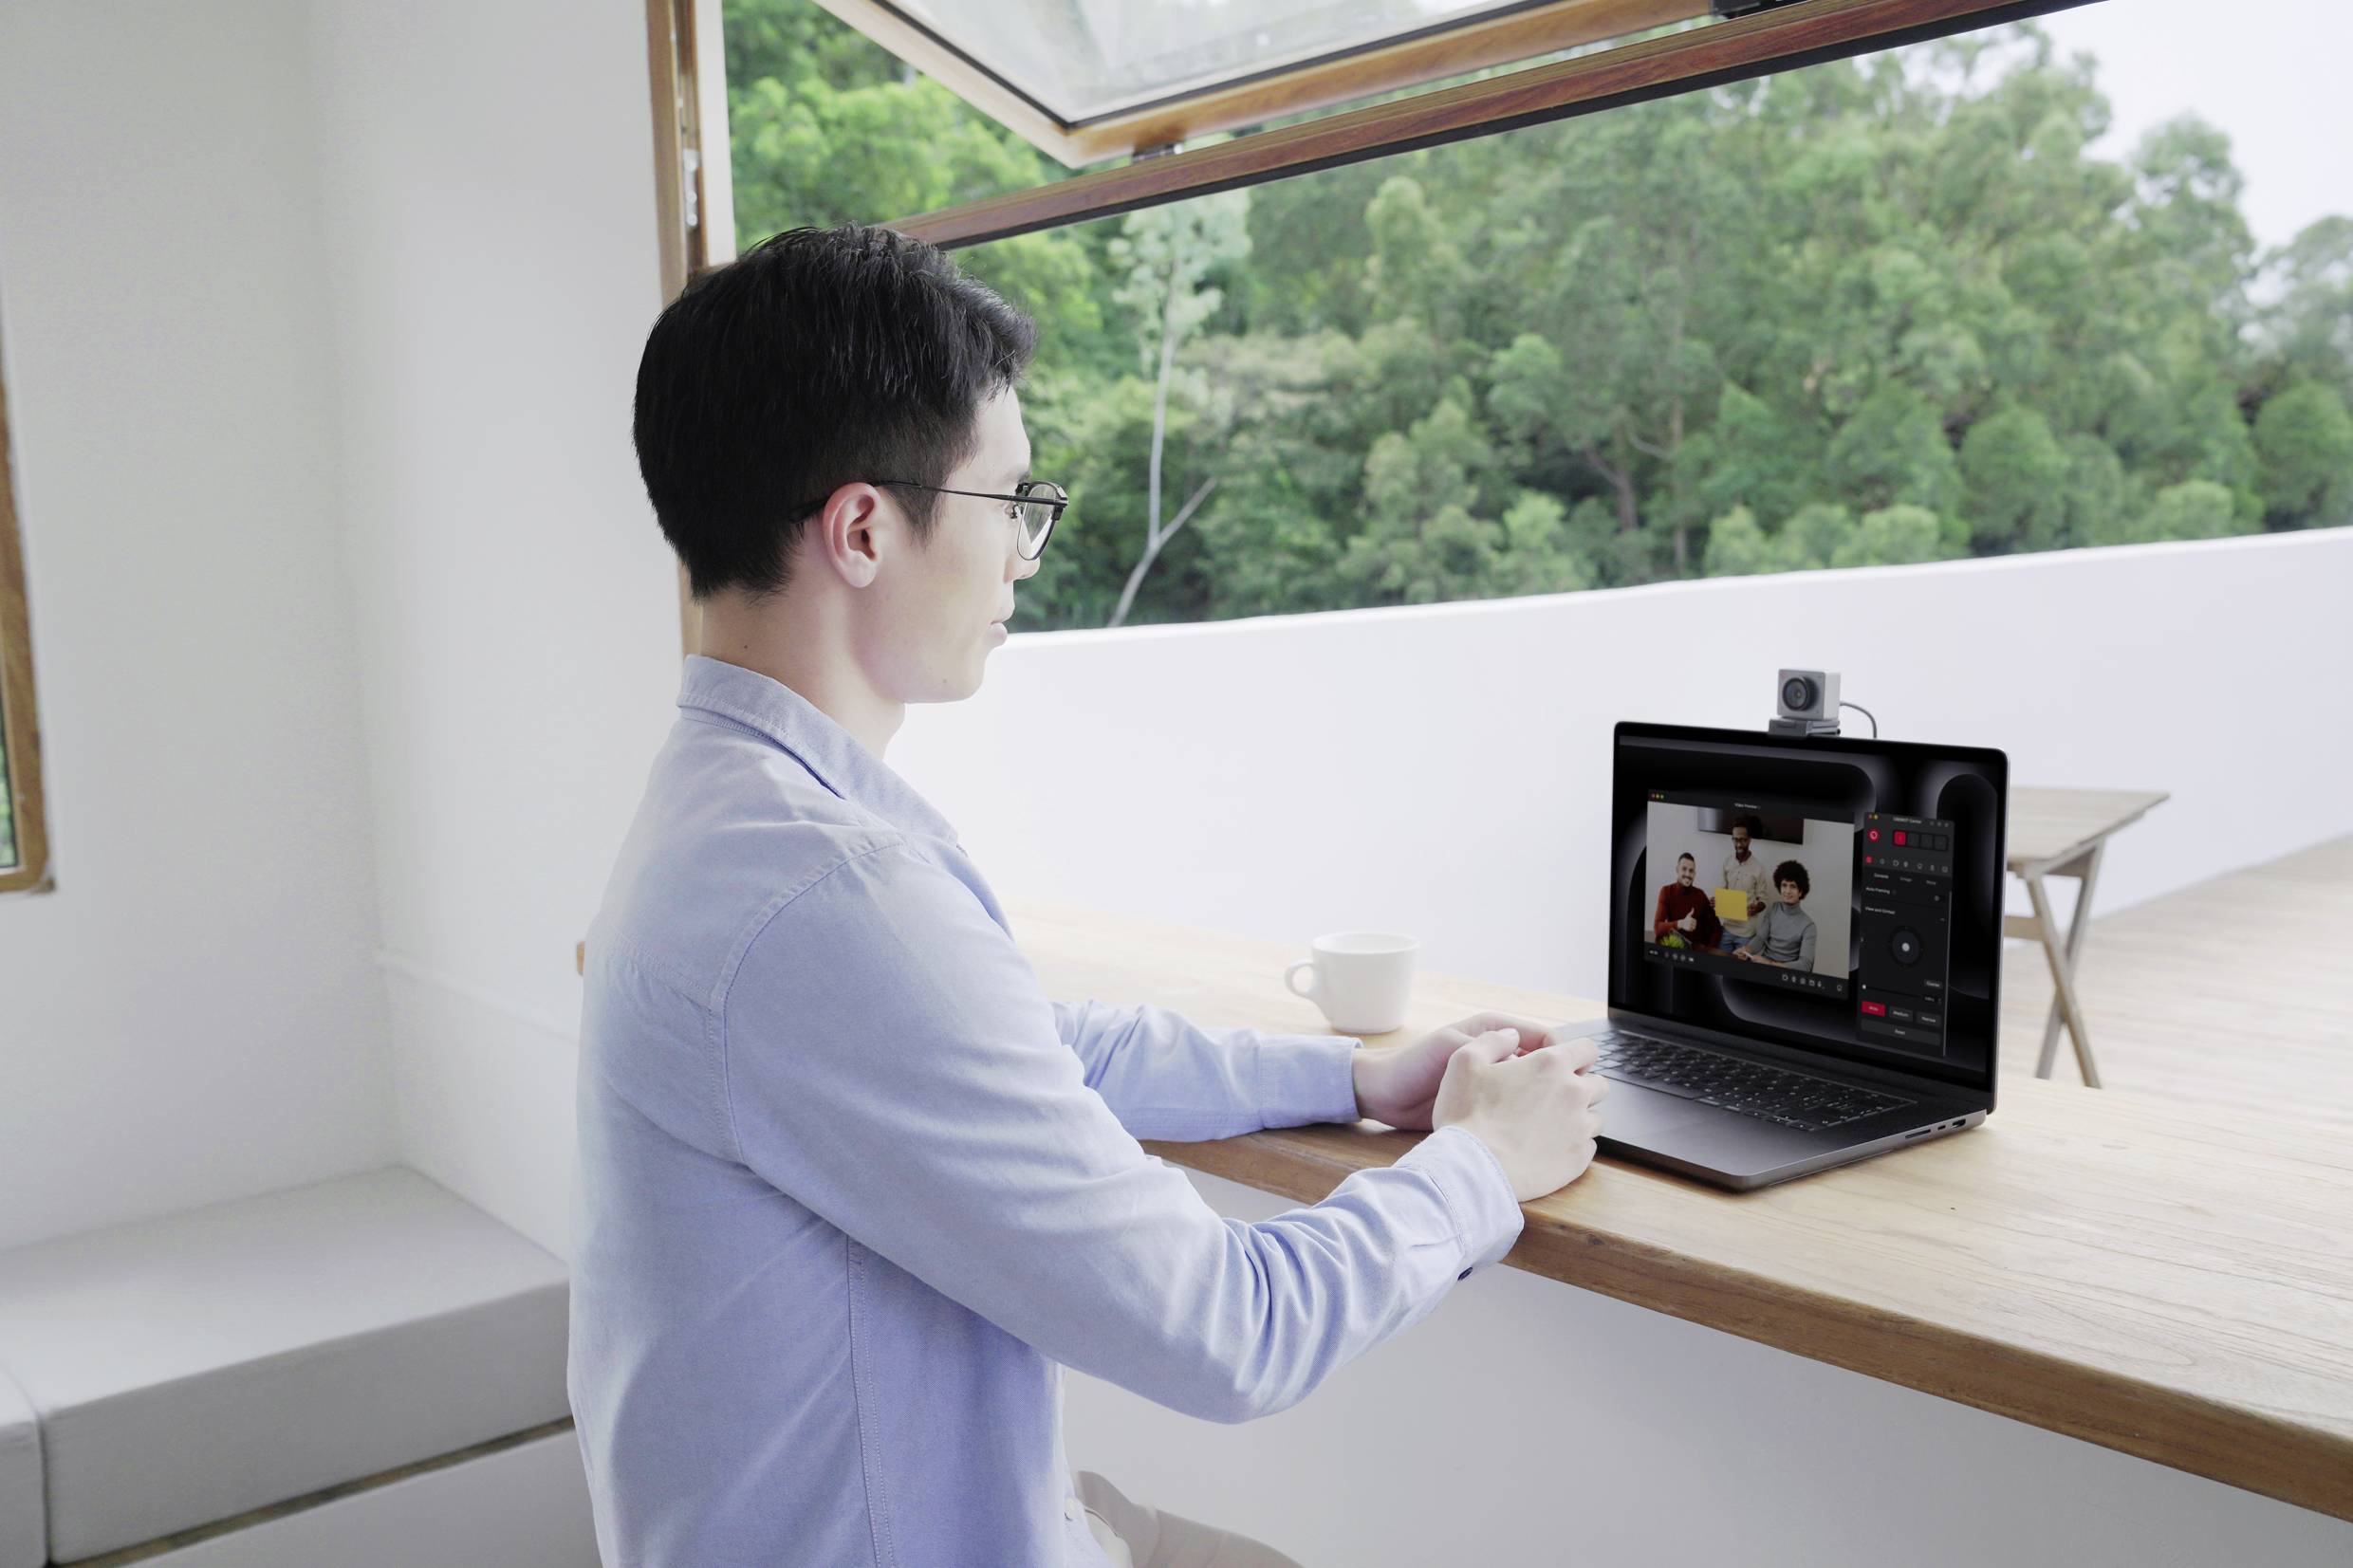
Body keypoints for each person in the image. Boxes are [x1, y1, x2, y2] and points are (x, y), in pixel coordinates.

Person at [567, 225, 1610, 1568]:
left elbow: (1030, 1053)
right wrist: (1483, 1162)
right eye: (1011, 505)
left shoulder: (720, 808)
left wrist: (1352, 1081)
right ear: (865, 528)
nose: (1024, 555)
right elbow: (1228, 1329)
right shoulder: (829, 892)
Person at [1733, 859, 1818, 972]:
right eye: (1784, 885)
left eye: (1793, 886)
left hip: (1785, 974)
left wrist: (1770, 964)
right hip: (1762, 967)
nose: (1787, 891)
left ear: (1801, 891)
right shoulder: (1773, 909)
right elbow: (1760, 938)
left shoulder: (1809, 926)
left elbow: (1805, 965)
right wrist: (1746, 950)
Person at [1716, 814, 1774, 955]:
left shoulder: (1759, 868)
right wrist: (1716, 901)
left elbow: (1764, 900)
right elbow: (1722, 891)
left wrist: (1756, 908)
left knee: (1741, 972)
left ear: (1749, 840)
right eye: (1735, 840)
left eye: (1742, 840)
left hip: (1747, 934)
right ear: (1732, 839)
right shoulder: (1727, 862)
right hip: (1727, 929)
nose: (1739, 844)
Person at [1652, 851, 1720, 950]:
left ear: (1695, 874)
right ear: (1677, 870)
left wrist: (1709, 951)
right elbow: (1657, 928)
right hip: (1675, 949)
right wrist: (1681, 924)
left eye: (1691, 871)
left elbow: (1716, 929)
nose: (1688, 874)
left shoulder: (1701, 895)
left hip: (1697, 951)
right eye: (1684, 869)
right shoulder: (1666, 891)